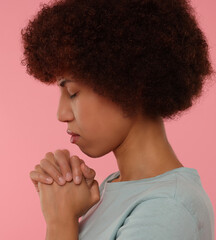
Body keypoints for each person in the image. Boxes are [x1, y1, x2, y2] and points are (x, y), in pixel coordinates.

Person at [20, 0, 215, 239]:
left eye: (73, 92)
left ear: (129, 85)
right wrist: (64, 196)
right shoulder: (113, 188)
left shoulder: (168, 208)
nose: (62, 114)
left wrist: (60, 222)